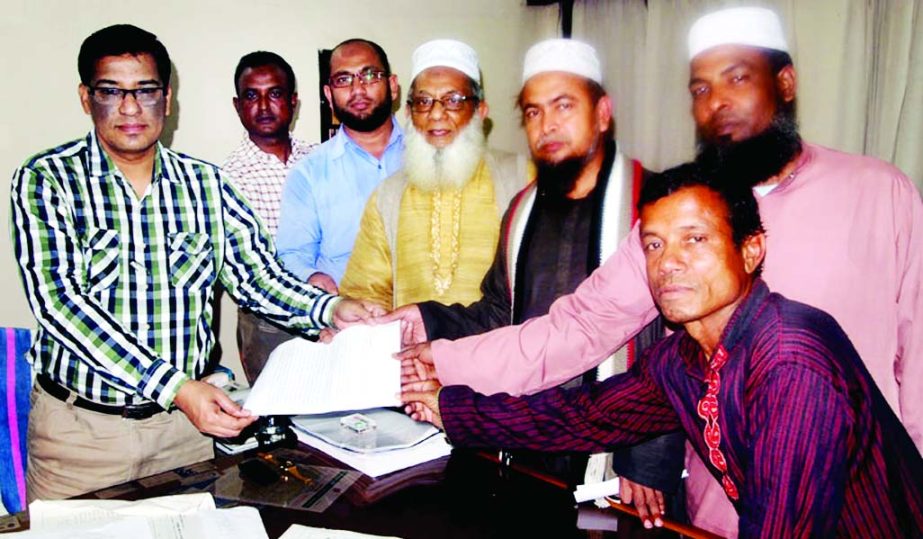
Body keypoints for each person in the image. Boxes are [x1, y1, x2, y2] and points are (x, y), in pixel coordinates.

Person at [392, 6, 923, 536]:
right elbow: (580, 360)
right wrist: (441, 378)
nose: (717, 103)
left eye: (737, 77)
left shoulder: (878, 196)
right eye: (699, 89)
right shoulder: (680, 312)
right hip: (718, 507)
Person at [402, 165, 923, 538]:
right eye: (654, 245)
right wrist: (451, 407)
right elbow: (583, 418)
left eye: (694, 239)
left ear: (750, 249)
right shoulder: (685, 358)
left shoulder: (789, 359)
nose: (668, 262)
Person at [9, 24, 378, 500]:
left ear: (166, 98)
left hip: (183, 437)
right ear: (86, 97)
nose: (129, 107)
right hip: (81, 436)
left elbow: (257, 278)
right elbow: (60, 304)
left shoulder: (206, 185)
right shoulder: (47, 179)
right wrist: (178, 387)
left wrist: (330, 310)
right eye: (110, 92)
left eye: (145, 91)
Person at [383, 38, 680, 513]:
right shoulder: (522, 208)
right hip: (527, 438)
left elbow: (678, 345)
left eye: (564, 106)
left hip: (618, 457)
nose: (548, 125)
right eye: (534, 112)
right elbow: (501, 312)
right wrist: (427, 319)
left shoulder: (658, 204)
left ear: (603, 112)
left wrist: (649, 460)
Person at [340, 39, 527, 308]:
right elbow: (367, 291)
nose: (436, 114)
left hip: (498, 347)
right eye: (424, 101)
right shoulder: (388, 195)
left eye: (453, 100)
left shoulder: (521, 178)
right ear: (409, 112)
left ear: (480, 111)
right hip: (410, 348)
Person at [276, 38, 403, 294]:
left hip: (427, 317)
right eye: (343, 80)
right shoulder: (309, 173)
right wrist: (314, 277)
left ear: (392, 86)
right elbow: (292, 255)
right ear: (329, 95)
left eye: (369, 75)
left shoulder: (433, 158)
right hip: (351, 318)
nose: (357, 89)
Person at [223, 51, 318, 383]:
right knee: (280, 422)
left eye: (274, 94)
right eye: (252, 96)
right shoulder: (226, 180)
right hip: (267, 323)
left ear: (293, 102)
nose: (264, 107)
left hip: (334, 307)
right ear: (238, 106)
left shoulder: (320, 160)